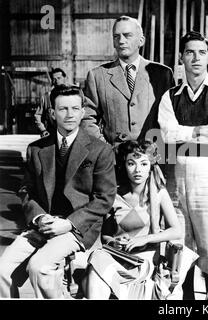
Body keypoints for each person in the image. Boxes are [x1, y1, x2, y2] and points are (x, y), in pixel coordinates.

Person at [0, 84, 117, 299]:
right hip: (44, 224)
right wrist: (39, 217)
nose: (69, 115)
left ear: (83, 112)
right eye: (63, 109)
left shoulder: (100, 150)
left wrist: (69, 223)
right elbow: (26, 190)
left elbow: (104, 198)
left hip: (77, 228)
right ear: (52, 113)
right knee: (2, 270)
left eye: (75, 108)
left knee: (39, 267)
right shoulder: (37, 149)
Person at [158, 31, 208, 276]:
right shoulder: (170, 96)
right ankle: (184, 295)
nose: (196, 58)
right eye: (190, 52)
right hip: (177, 174)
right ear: (181, 57)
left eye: (202, 52)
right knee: (180, 244)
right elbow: (167, 135)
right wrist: (200, 130)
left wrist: (182, 133)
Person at [83, 139, 183, 299]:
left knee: (96, 267)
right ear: (124, 165)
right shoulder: (114, 195)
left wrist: (144, 239)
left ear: (151, 165)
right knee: (97, 260)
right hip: (118, 257)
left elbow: (176, 231)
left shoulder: (158, 193)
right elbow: (105, 237)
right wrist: (114, 242)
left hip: (145, 260)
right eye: (131, 163)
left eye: (144, 164)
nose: (138, 170)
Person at [84, 16, 175, 145]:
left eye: (127, 35)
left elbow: (171, 119)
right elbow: (87, 118)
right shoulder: (97, 76)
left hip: (152, 156)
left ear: (141, 41)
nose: (121, 41)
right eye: (116, 36)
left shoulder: (162, 74)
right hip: (115, 158)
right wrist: (105, 150)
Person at [34, 68, 67, 137]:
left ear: (65, 78)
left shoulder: (73, 96)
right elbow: (38, 115)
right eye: (54, 79)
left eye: (59, 78)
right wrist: (43, 130)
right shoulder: (46, 97)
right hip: (51, 133)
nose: (56, 81)